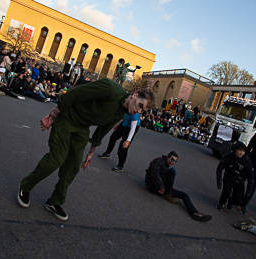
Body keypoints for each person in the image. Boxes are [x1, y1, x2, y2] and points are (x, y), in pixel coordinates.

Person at [17, 79, 154, 221]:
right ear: (135, 95)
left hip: (82, 128)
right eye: (140, 106)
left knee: (73, 165)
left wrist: (91, 152)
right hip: (67, 118)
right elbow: (77, 93)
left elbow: (103, 129)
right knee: (57, 158)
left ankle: (54, 202)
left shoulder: (123, 111)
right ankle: (25, 187)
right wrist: (52, 114)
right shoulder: (111, 89)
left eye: (142, 111)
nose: (138, 111)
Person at [145, 151, 212, 222]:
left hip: (163, 188)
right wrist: (161, 186)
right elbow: (154, 173)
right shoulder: (159, 160)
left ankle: (194, 212)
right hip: (152, 185)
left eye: (175, 162)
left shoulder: (167, 166)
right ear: (167, 157)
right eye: (172, 160)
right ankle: (167, 194)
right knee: (172, 171)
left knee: (184, 195)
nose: (173, 163)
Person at [216, 141, 254, 211]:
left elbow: (250, 176)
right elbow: (219, 169)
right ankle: (221, 203)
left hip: (239, 180)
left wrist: (249, 191)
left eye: (243, 151)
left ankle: (231, 200)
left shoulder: (246, 160)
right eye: (239, 150)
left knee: (239, 201)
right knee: (226, 192)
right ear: (235, 150)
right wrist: (219, 182)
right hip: (229, 177)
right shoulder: (228, 157)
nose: (241, 153)